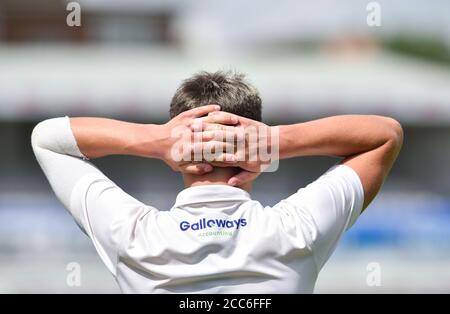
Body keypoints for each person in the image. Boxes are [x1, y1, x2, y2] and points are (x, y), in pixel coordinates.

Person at [31, 71, 403, 293]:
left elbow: (47, 139)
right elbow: (385, 135)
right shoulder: (296, 230)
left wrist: (154, 140)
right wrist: (274, 143)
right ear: (254, 133)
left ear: (179, 150)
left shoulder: (132, 235)